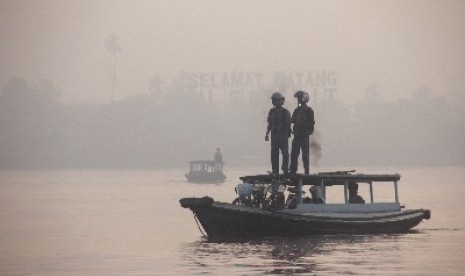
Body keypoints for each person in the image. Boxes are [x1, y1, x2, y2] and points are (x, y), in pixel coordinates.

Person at [265, 92, 291, 175]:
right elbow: (270, 124)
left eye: (275, 100)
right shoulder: (271, 111)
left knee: (285, 154)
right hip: (274, 136)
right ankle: (275, 171)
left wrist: (286, 134)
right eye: (273, 100)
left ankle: (285, 170)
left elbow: (288, 124)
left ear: (280, 101)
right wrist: (267, 134)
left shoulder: (285, 112)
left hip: (283, 136)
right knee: (274, 155)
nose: (273, 102)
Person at [290, 90, 315, 174]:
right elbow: (292, 120)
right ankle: (293, 171)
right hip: (297, 136)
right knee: (294, 154)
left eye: (299, 98)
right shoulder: (297, 110)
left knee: (305, 155)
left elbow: (311, 123)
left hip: (304, 136)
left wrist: (303, 123)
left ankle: (306, 171)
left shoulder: (309, 111)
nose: (298, 100)